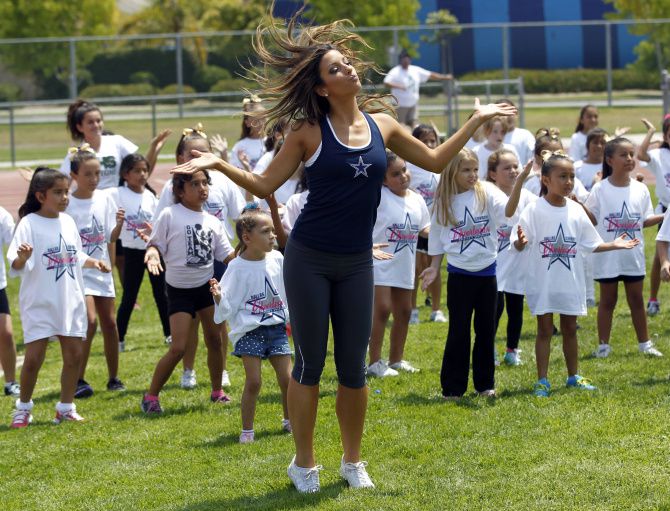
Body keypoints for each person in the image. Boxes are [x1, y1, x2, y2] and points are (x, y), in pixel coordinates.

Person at [171, 8, 516, 492]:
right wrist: (221, 164)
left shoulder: (384, 125)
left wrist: (475, 120)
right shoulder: (307, 132)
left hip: (357, 261)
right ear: (321, 88)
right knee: (310, 363)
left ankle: (352, 462)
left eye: (346, 64)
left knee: (354, 368)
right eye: (335, 69)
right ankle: (304, 462)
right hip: (309, 259)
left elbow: (438, 161)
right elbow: (266, 182)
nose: (348, 70)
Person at [511, 151, 638, 398]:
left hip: (570, 281)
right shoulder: (534, 209)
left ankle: (572, 376)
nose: (569, 182)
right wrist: (519, 242)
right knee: (545, 330)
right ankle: (542, 381)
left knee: (570, 328)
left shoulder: (576, 210)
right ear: (546, 180)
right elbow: (518, 242)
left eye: (572, 176)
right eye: (562, 176)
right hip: (543, 282)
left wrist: (613, 244)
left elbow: (591, 243)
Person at [420, 148, 527, 399]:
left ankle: (484, 385)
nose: (472, 175)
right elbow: (437, 239)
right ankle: (453, 388)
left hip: (488, 275)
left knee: (485, 331)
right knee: (458, 331)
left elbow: (509, 212)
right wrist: (434, 267)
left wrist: (519, 183)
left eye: (475, 169)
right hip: (459, 276)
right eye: (466, 170)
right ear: (452, 172)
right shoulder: (443, 202)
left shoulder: (486, 191)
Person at [7, 168, 110, 428]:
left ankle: (65, 407)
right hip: (40, 302)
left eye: (66, 191)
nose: (65, 197)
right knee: (33, 359)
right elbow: (16, 265)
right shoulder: (29, 223)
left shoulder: (68, 221)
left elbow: (74, 254)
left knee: (74, 356)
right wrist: (23, 257)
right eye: (58, 192)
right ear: (41, 195)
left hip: (69, 300)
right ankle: (23, 408)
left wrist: (93, 262)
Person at [155, 125, 245, 389]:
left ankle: (221, 371)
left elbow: (240, 216)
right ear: (181, 157)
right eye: (194, 154)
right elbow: (161, 223)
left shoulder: (224, 181)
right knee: (188, 320)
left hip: (219, 256)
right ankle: (188, 369)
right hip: (185, 263)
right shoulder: (174, 190)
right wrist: (154, 249)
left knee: (218, 319)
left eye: (205, 153)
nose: (201, 158)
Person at [141, 170, 235, 414]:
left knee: (215, 340)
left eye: (205, 183)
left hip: (205, 288)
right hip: (179, 291)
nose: (202, 188)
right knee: (178, 347)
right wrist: (151, 254)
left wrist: (251, 251)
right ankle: (151, 396)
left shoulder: (213, 222)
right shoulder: (169, 215)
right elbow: (155, 245)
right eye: (195, 184)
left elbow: (227, 255)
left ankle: (217, 391)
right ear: (180, 191)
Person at [210, 208, 292, 444]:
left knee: (287, 379)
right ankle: (247, 430)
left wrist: (292, 318)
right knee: (254, 381)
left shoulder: (277, 259)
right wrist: (218, 296)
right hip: (250, 331)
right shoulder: (236, 267)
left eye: (273, 231)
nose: (273, 236)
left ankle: (289, 420)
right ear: (247, 237)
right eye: (266, 232)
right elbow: (228, 304)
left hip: (276, 329)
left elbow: (287, 291)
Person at [584, 138, 663, 358]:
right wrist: (578, 205)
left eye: (631, 154)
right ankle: (603, 346)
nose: (629, 159)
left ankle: (644, 344)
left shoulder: (640, 189)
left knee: (636, 300)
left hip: (632, 254)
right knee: (608, 300)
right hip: (608, 254)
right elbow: (591, 218)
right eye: (623, 155)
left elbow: (645, 219)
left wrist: (664, 216)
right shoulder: (600, 189)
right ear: (609, 160)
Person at [66, 146, 125, 396]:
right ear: (74, 175)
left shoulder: (104, 198)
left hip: (101, 271)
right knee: (89, 323)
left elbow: (109, 236)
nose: (94, 179)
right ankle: (78, 379)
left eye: (97, 174)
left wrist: (119, 227)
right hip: (80, 272)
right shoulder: (67, 204)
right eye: (88, 174)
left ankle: (114, 378)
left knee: (110, 324)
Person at [367, 150, 429, 377]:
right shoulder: (378, 197)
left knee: (403, 311)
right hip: (379, 261)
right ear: (383, 180)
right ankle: (374, 363)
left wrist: (447, 230)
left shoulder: (417, 199)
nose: (403, 176)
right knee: (381, 310)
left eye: (404, 170)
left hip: (405, 263)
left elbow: (425, 229)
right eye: (395, 174)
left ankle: (396, 360)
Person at [114, 154, 171, 352]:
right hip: (132, 252)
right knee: (129, 296)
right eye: (137, 171)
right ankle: (119, 339)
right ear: (125, 174)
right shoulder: (117, 193)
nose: (142, 174)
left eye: (145, 170)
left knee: (162, 294)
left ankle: (169, 334)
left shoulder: (150, 196)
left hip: (153, 252)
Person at [487, 150, 536, 366]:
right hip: (493, 263)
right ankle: (490, 350)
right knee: (494, 310)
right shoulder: (487, 195)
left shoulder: (527, 197)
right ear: (492, 174)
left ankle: (512, 350)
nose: (513, 171)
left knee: (515, 308)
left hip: (518, 261)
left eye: (515, 166)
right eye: (506, 168)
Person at [406, 124, 446, 324]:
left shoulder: (441, 166)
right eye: (424, 141)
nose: (430, 144)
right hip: (414, 226)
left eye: (433, 140)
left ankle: (436, 310)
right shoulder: (409, 167)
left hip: (436, 227)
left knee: (434, 267)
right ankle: (412, 309)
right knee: (415, 269)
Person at [637, 116, 670, 316]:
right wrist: (650, 132)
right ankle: (653, 299)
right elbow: (641, 154)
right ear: (665, 134)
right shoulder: (659, 154)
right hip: (666, 210)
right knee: (660, 257)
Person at [383, 49, 453, 128]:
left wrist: (445, 77)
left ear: (410, 60)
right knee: (401, 126)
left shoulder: (415, 70)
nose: (406, 62)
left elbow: (430, 75)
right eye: (404, 60)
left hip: (413, 104)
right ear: (401, 60)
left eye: (407, 60)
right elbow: (386, 82)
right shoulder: (395, 71)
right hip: (400, 105)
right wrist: (399, 86)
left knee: (415, 125)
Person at [0, 205, 19, 397]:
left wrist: (22, 219)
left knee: (5, 334)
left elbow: (14, 242)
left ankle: (11, 382)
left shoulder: (2, 214)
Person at [499, 98, 535, 166]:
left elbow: (532, 158)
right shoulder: (491, 137)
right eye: (503, 113)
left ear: (516, 114)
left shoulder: (525, 135)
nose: (507, 116)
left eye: (510, 112)